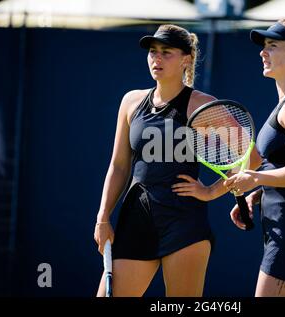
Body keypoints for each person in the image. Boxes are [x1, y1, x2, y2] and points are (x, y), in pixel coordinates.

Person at [175, 19, 285, 297]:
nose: (262, 52)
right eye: (264, 46)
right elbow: (284, 167)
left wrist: (254, 177)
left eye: (273, 46)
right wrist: (259, 194)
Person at [93, 24, 218, 297]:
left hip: (184, 222)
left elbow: (249, 160)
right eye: (152, 52)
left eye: (166, 52)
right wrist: (103, 216)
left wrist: (211, 191)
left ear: (186, 59)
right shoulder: (131, 102)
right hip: (136, 218)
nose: (156, 59)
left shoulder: (202, 105)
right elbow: (119, 165)